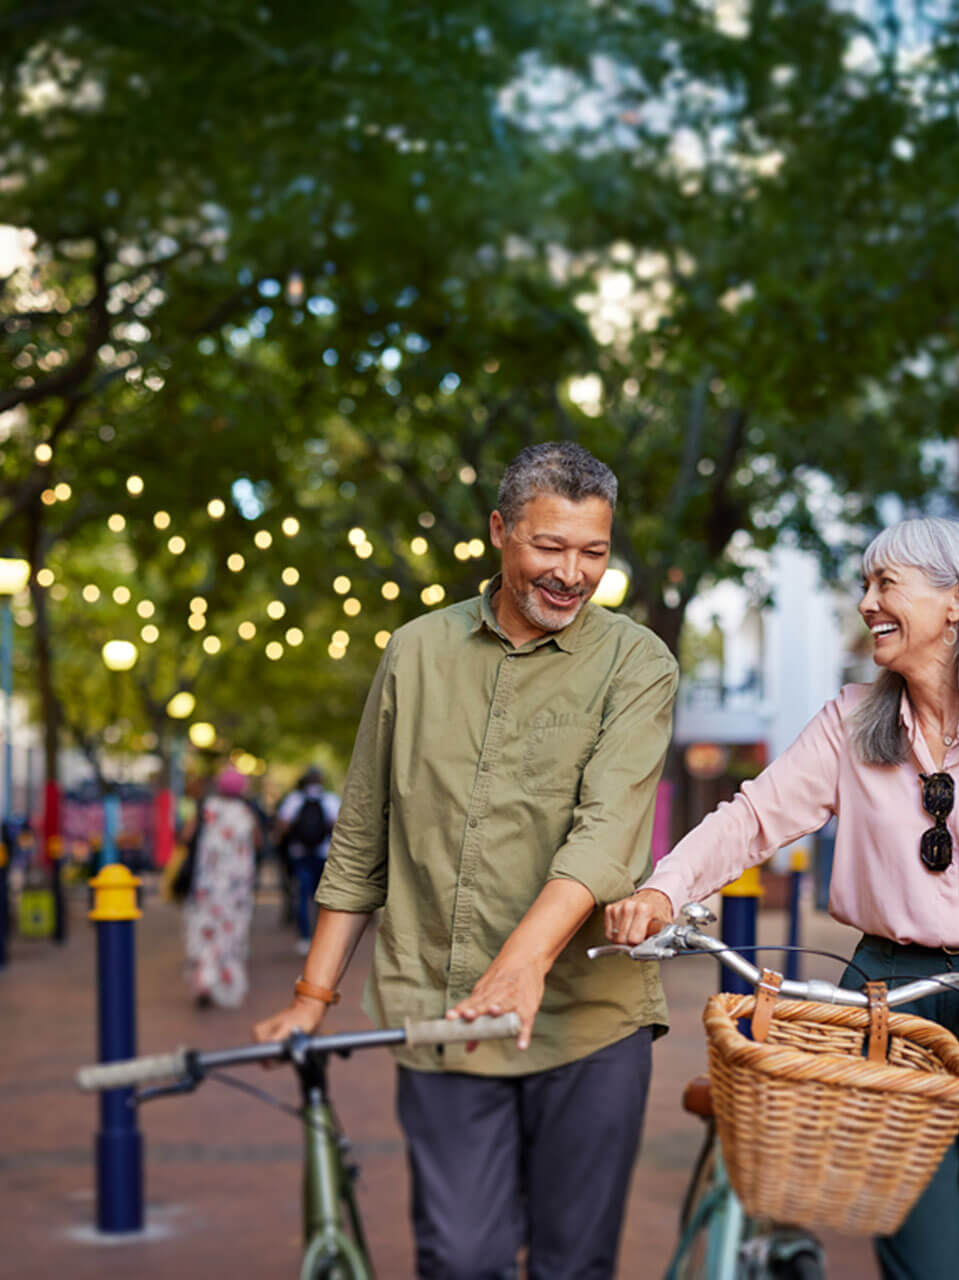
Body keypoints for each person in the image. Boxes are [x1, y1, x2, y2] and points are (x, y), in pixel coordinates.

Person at [606, 516, 959, 1280]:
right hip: (885, 1004)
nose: (867, 602)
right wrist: (664, 889)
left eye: (885, 584)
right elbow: (752, 818)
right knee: (924, 1258)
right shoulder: (851, 720)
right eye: (864, 586)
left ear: (956, 600)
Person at [254, 441, 678, 1279]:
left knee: (572, 1265)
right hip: (446, 1012)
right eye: (549, 548)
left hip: (591, 1017)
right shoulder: (415, 653)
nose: (573, 574)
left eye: (593, 552)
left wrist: (522, 966)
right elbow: (361, 843)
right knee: (460, 1258)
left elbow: (605, 835)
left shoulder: (637, 663)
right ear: (499, 531)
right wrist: (312, 998)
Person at [181, 767, 263, 1009]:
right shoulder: (245, 813)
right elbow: (258, 844)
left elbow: (186, 837)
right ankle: (227, 983)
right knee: (231, 933)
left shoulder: (206, 808)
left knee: (206, 930)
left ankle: (204, 978)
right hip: (236, 888)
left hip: (207, 884)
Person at [271, 766, 340, 950]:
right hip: (324, 854)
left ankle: (305, 936)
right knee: (324, 897)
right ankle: (323, 936)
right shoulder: (330, 799)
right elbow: (338, 825)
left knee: (302, 895)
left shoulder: (294, 799)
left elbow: (282, 825)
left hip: (299, 853)